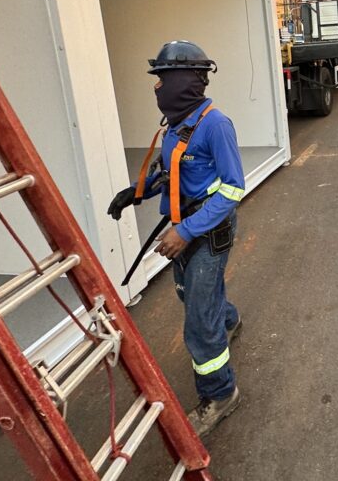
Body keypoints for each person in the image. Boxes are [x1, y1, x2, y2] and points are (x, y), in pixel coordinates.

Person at [107, 40, 245, 436]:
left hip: (207, 232)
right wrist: (136, 192)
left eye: (161, 79)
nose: (155, 88)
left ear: (184, 81)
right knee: (192, 295)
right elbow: (170, 173)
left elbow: (234, 189)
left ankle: (221, 394)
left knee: (199, 321)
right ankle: (229, 321)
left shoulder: (215, 124)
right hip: (185, 228)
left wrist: (184, 232)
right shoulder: (176, 123)